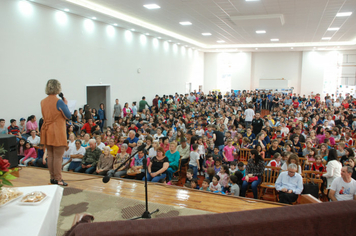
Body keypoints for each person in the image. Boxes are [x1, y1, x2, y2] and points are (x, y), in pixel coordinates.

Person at [40, 79, 71, 186]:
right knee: (58, 156)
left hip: (47, 130)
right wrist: (66, 104)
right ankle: (58, 178)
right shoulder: (59, 101)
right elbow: (68, 116)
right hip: (57, 130)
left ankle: (52, 177)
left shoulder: (43, 101)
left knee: (51, 155)